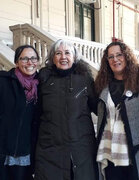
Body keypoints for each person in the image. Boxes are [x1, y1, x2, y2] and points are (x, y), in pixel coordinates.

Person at [34, 39, 99, 180]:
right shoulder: (43, 79)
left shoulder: (85, 79)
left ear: (74, 57)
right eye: (58, 53)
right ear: (52, 58)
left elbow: (99, 107)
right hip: (50, 150)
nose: (63, 57)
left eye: (67, 53)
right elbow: (35, 113)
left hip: (81, 150)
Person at [94, 41, 139, 180]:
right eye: (110, 57)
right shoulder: (102, 84)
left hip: (138, 153)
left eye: (119, 55)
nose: (115, 59)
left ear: (127, 56)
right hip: (110, 151)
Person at [0, 45, 40, 180]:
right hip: (3, 153)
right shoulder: (4, 81)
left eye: (33, 58)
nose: (30, 63)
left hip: (26, 154)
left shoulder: (42, 85)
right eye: (25, 59)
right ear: (16, 62)